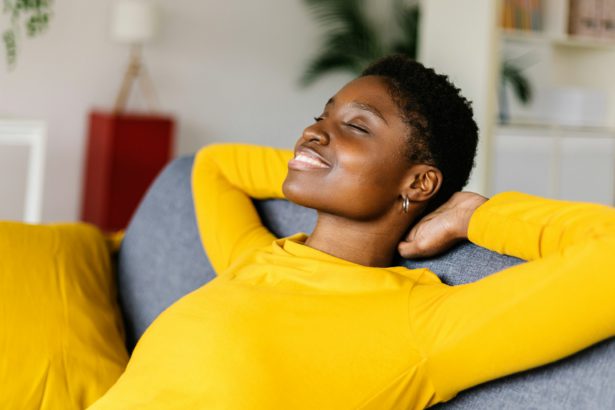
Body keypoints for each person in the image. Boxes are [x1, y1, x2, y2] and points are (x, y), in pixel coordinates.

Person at [90, 55, 615, 409]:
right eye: (322, 117)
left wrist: (474, 215)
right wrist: (315, 163)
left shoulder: (422, 326)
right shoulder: (254, 258)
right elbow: (215, 167)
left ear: (420, 180)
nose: (314, 131)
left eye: (357, 126)